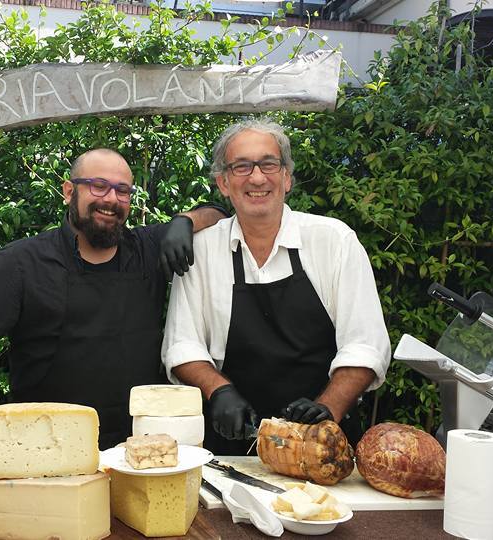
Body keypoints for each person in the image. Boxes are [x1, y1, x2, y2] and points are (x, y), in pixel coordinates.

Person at [0, 148, 227, 473]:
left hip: (134, 456)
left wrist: (184, 221)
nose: (111, 199)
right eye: (98, 186)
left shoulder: (147, 248)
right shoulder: (20, 264)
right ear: (69, 191)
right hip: (43, 455)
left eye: (122, 190)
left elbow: (218, 212)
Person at [162, 119, 391, 455]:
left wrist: (327, 408)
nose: (257, 178)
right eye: (241, 166)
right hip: (232, 447)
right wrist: (218, 390)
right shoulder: (202, 250)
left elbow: (365, 345)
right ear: (223, 183)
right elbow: (182, 344)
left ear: (286, 177)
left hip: (323, 446)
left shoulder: (333, 241)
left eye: (268, 164)